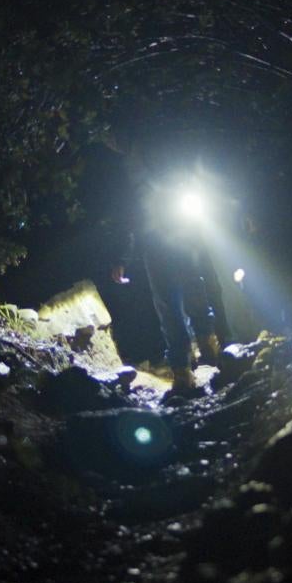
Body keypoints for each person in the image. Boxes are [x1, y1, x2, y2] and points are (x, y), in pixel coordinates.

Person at [106, 141, 225, 394]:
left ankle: (208, 348)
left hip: (182, 236)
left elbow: (190, 179)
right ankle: (182, 369)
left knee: (194, 292)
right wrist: (122, 259)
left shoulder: (160, 151)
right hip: (155, 248)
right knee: (169, 307)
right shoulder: (125, 173)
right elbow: (127, 218)